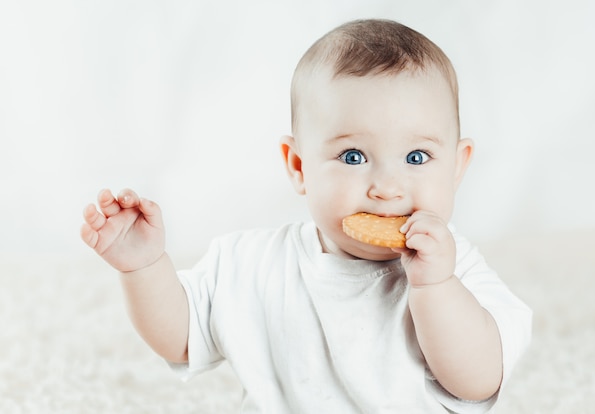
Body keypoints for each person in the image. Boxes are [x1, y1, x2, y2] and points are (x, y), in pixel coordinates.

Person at [81, 19, 531, 413]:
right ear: (299, 166)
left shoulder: (461, 272)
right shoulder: (252, 263)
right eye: (353, 156)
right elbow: (180, 337)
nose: (387, 187)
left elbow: (477, 382)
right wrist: (143, 267)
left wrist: (436, 286)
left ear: (456, 166)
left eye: (417, 156)